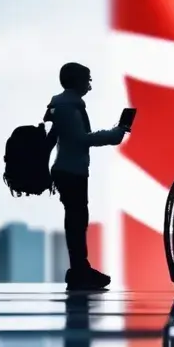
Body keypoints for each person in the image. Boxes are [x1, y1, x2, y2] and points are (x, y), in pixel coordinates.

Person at [48, 62, 128, 291]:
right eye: (88, 80)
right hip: (72, 171)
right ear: (77, 81)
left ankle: (79, 268)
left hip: (66, 168)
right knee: (76, 220)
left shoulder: (61, 105)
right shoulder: (69, 107)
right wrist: (115, 134)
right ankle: (79, 270)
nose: (90, 86)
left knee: (76, 220)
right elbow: (81, 139)